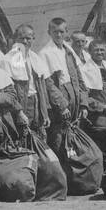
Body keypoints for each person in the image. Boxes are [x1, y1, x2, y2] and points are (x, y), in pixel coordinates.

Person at [39, 18, 87, 160]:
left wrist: (84, 103)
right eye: (55, 32)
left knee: (74, 132)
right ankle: (62, 169)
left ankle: (74, 168)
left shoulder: (68, 50)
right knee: (59, 136)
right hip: (60, 99)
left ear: (66, 32)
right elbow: (49, 84)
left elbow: (79, 78)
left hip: (75, 96)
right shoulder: (45, 53)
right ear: (49, 32)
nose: (58, 35)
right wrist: (62, 105)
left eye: (61, 32)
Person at [4, 24, 51, 134]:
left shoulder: (36, 58)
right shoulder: (8, 60)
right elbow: (7, 91)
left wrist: (45, 113)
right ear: (16, 39)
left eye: (28, 38)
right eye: (22, 38)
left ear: (33, 39)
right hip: (20, 106)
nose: (25, 41)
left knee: (39, 137)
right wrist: (19, 112)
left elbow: (41, 89)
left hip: (36, 104)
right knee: (22, 137)